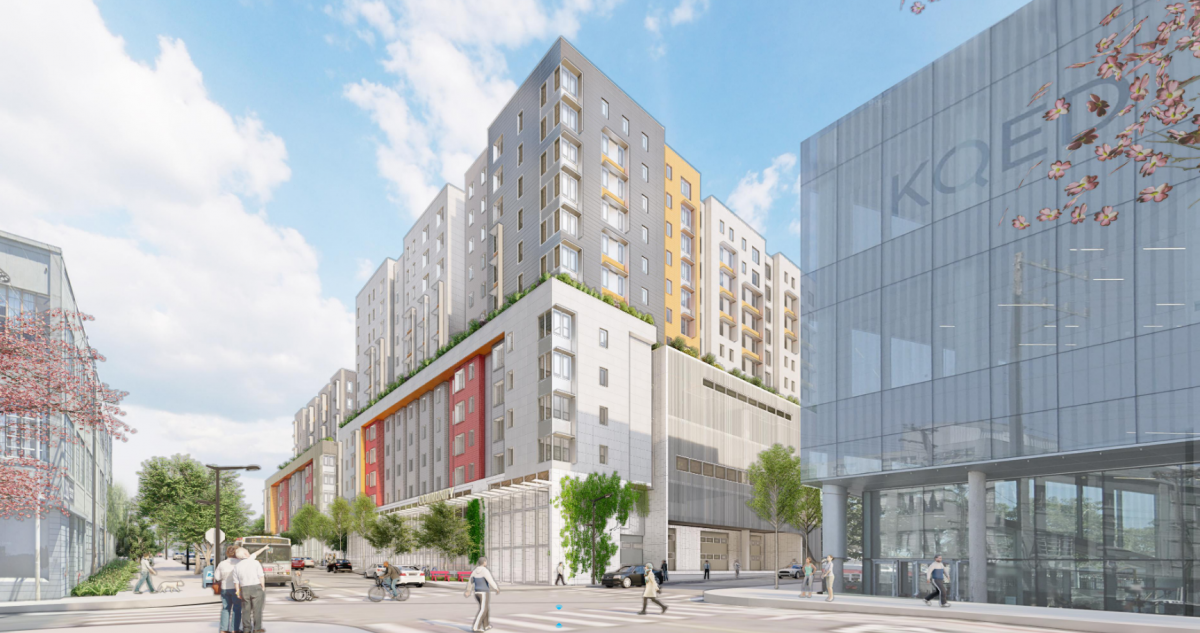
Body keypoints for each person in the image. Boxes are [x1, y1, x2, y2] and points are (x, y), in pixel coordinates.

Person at [233, 547, 266, 633]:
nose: (248, 552)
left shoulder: (237, 566)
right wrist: (263, 587)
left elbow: (236, 582)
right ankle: (257, 629)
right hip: (256, 587)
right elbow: (261, 576)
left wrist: (238, 592)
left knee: (245, 610)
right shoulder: (255, 562)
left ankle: (246, 629)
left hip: (244, 589)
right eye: (247, 551)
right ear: (245, 554)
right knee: (257, 610)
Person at [465, 556, 499, 632]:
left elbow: (470, 581)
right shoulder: (485, 570)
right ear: (484, 562)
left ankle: (486, 625)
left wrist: (468, 590)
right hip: (483, 593)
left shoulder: (474, 571)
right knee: (483, 610)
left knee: (485, 608)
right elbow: (490, 580)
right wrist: (496, 588)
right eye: (486, 561)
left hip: (477, 592)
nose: (486, 563)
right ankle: (476, 627)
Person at [216, 546, 242, 633]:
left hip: (224, 588)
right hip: (236, 589)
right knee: (237, 608)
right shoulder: (240, 563)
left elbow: (217, 577)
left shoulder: (222, 563)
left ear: (227, 553)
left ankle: (224, 629)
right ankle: (235, 629)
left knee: (225, 608)